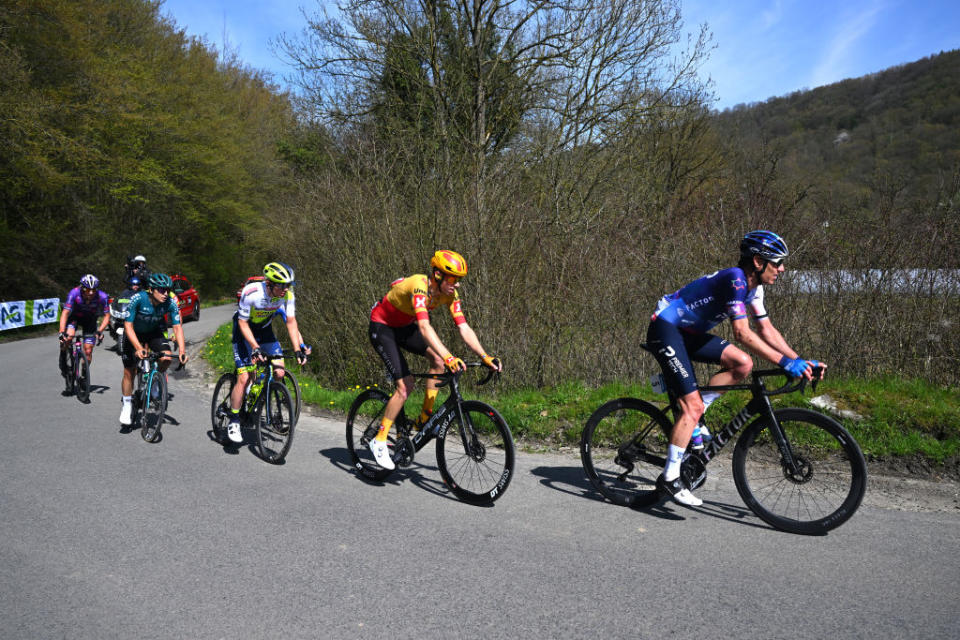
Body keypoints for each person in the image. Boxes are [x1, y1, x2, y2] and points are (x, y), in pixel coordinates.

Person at [646, 230, 825, 507]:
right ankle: (670, 479)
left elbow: (766, 329)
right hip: (666, 328)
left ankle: (698, 411)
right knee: (690, 407)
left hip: (688, 333)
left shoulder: (755, 288)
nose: (782, 268)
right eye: (776, 262)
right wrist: (785, 363)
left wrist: (799, 359)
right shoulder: (735, 279)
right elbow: (742, 333)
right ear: (757, 261)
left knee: (743, 363)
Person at [367, 250, 502, 470]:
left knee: (438, 364)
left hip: (403, 327)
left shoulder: (449, 295)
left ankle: (424, 417)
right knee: (405, 387)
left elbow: (464, 327)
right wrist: (449, 355)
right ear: (437, 275)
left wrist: (484, 356)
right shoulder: (419, 286)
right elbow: (424, 326)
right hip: (382, 327)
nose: (456, 284)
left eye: (459, 280)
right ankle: (379, 440)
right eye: (452, 279)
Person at [226, 262, 310, 444]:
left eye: (288, 285)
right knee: (244, 377)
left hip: (264, 331)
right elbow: (242, 323)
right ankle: (233, 420)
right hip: (244, 331)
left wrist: (298, 349)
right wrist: (255, 347)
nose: (285, 289)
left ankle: (265, 395)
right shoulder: (252, 292)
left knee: (279, 371)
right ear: (269, 283)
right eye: (282, 285)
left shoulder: (287, 295)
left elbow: (291, 323)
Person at [118, 273, 188, 426]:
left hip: (153, 333)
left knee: (167, 358)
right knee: (129, 370)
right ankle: (127, 404)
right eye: (161, 290)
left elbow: (177, 327)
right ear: (151, 289)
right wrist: (137, 347)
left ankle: (156, 381)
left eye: (167, 290)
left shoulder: (170, 302)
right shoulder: (138, 299)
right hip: (133, 333)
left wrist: (182, 351)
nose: (165, 294)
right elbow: (127, 325)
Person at [58, 274, 110, 385]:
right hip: (74, 318)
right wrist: (62, 332)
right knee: (68, 337)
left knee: (88, 350)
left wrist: (100, 331)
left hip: (90, 320)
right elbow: (65, 313)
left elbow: (107, 316)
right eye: (87, 289)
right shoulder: (74, 293)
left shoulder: (102, 296)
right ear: (82, 288)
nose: (91, 292)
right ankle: (63, 355)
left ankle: (84, 373)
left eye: (94, 289)